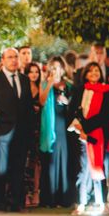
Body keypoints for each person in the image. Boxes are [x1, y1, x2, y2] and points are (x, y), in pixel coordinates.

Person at [0, 48, 35, 212]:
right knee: (1, 169)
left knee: (18, 168)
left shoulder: (24, 80)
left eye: (16, 57)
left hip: (21, 132)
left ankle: (16, 203)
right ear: (2, 60)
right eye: (10, 57)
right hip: (1, 133)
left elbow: (28, 108)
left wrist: (29, 132)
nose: (14, 60)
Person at [69, 62, 109, 215]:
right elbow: (74, 109)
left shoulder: (108, 91)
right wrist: (80, 128)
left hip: (99, 135)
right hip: (80, 135)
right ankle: (81, 204)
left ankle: (102, 203)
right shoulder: (80, 90)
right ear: (85, 74)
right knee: (83, 170)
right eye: (90, 71)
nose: (93, 73)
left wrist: (87, 129)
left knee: (99, 167)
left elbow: (105, 116)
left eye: (96, 70)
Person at [39, 56, 74, 208]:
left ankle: (64, 197)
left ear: (62, 69)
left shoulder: (69, 85)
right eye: (52, 67)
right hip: (50, 126)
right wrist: (49, 84)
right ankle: (50, 198)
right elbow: (41, 101)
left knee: (64, 160)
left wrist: (68, 103)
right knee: (51, 161)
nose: (55, 70)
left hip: (64, 125)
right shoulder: (45, 84)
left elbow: (75, 105)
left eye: (57, 67)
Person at [24, 62, 43, 207]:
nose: (34, 74)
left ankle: (36, 192)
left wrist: (48, 83)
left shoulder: (40, 87)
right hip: (25, 127)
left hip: (38, 128)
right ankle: (26, 194)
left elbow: (42, 101)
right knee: (26, 161)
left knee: (36, 162)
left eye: (36, 71)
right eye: (31, 72)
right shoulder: (22, 87)